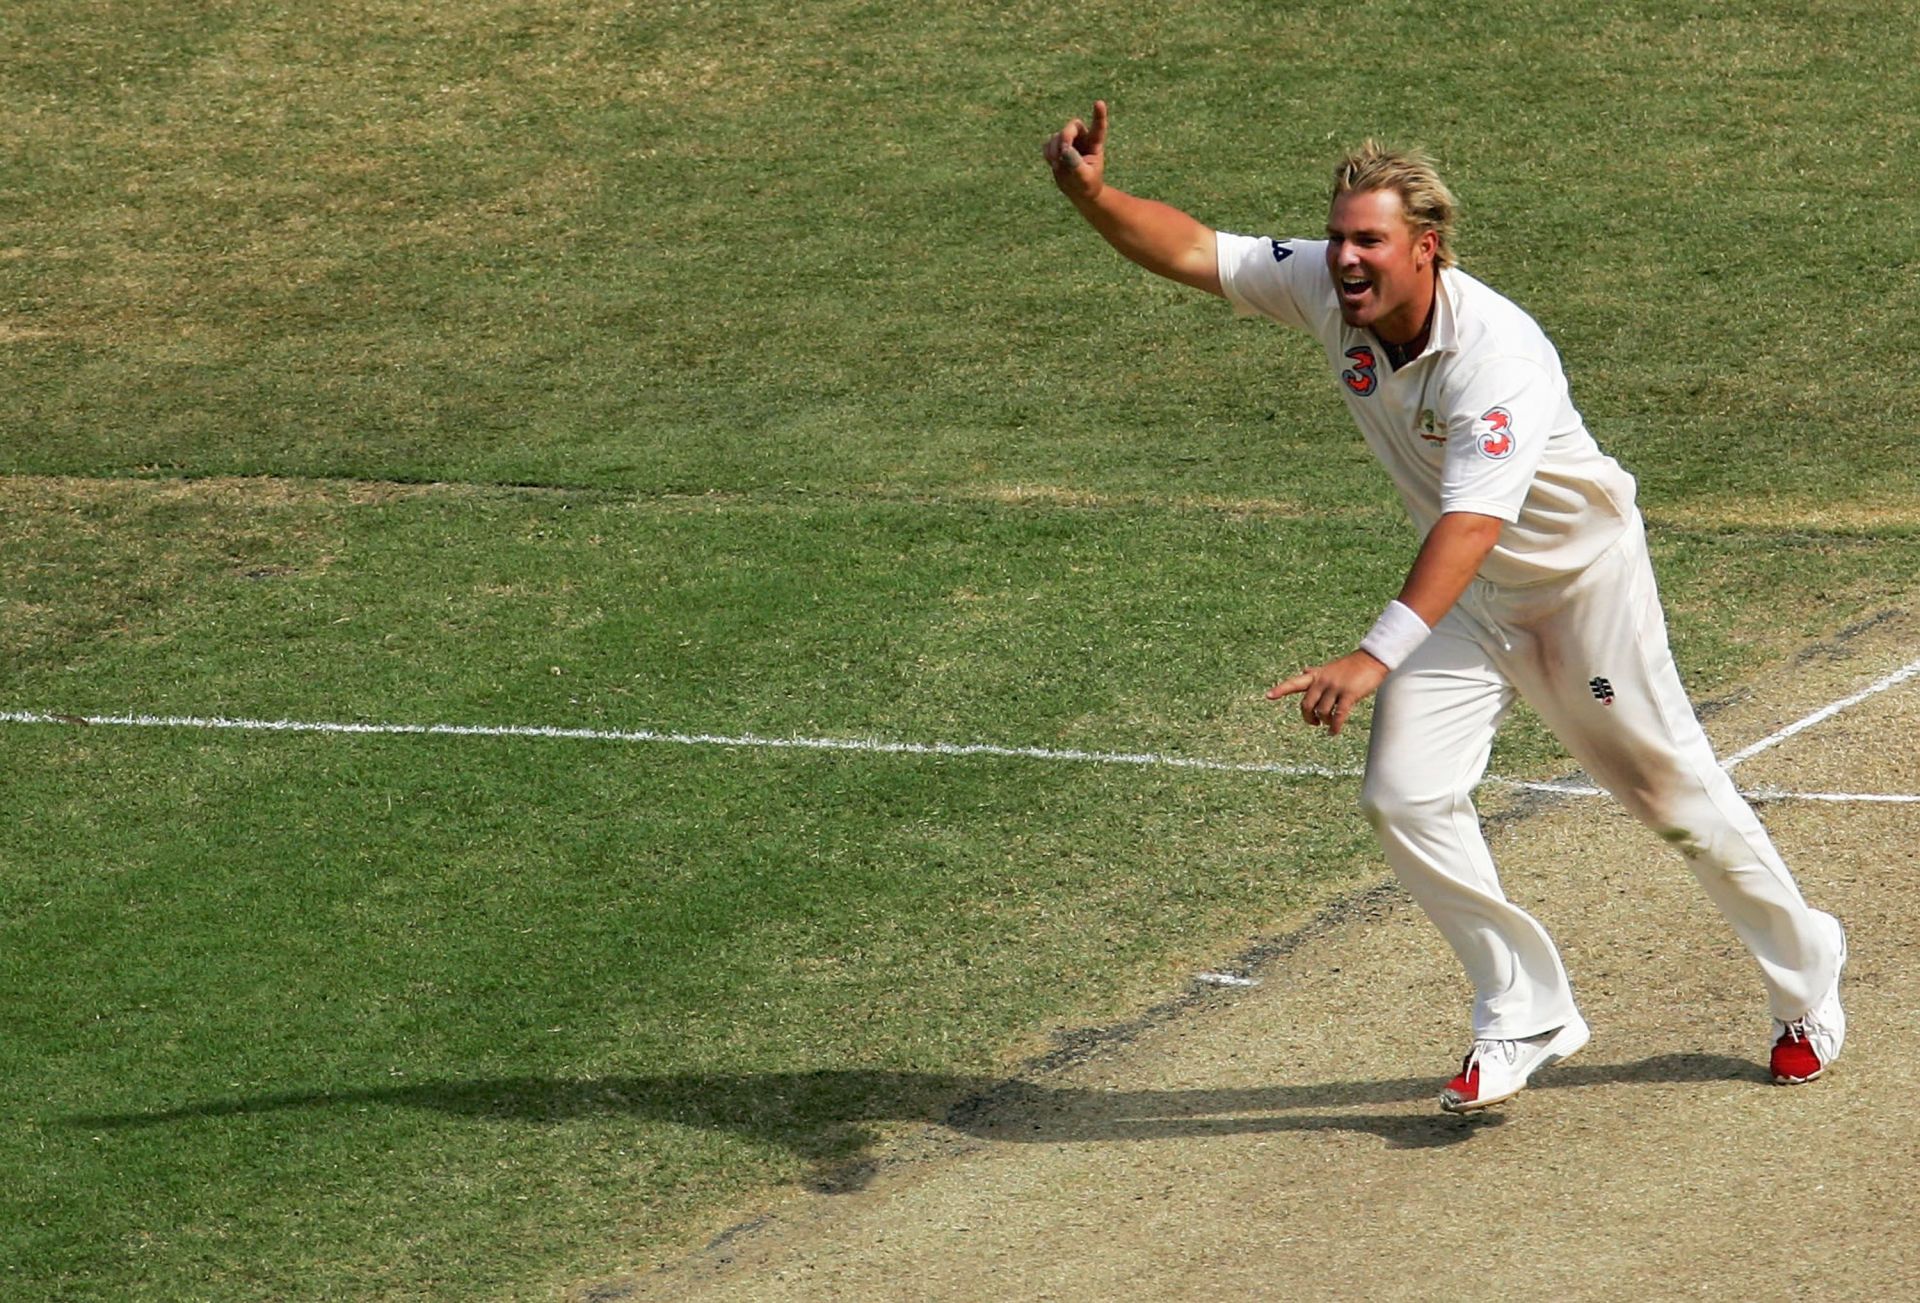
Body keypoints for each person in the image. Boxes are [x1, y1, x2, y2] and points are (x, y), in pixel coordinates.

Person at [1042, 100, 1846, 1111]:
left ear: (1425, 249)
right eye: (1337, 237)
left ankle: (1807, 976)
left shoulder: (1495, 355)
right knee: (1405, 796)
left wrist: (1373, 656)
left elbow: (1469, 524)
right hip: (1468, 601)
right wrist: (1094, 195)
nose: (1343, 258)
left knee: (1673, 799)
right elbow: (1200, 251)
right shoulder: (1332, 291)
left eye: (1367, 241)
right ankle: (1522, 1007)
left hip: (1578, 587)